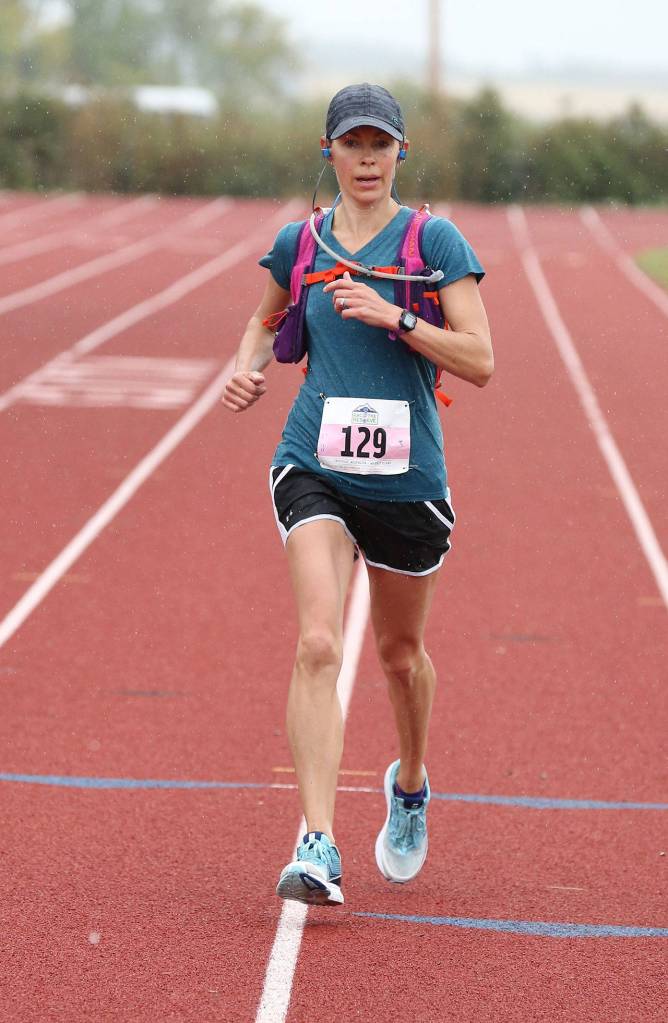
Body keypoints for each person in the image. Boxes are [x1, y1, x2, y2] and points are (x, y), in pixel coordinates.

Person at [223, 83, 493, 906]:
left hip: (408, 481)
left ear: (399, 154)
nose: (367, 158)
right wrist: (245, 367)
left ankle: (409, 781)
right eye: (353, 144)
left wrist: (394, 316)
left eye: (381, 145)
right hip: (315, 462)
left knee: (398, 656)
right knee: (316, 642)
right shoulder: (299, 242)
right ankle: (316, 840)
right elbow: (265, 320)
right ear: (329, 151)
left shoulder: (433, 240)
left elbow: (479, 358)